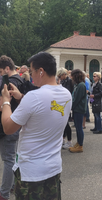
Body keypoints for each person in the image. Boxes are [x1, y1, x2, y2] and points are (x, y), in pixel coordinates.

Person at [1, 52, 72, 200]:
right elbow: (43, 108)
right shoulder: (66, 94)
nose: (30, 75)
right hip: (53, 168)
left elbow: (8, 128)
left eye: (32, 71)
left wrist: (6, 101)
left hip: (31, 172)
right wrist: (21, 97)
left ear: (41, 71)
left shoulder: (35, 97)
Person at [0, 55, 24, 200]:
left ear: (7, 69)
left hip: (8, 125)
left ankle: (3, 194)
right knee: (14, 158)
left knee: (9, 159)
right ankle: (14, 185)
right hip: (16, 124)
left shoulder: (9, 82)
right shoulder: (21, 80)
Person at [69, 69, 87, 153]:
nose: (71, 77)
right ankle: (78, 142)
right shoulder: (78, 85)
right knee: (77, 127)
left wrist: (71, 106)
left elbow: (77, 99)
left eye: (72, 75)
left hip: (79, 109)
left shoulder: (81, 85)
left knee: (79, 128)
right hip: (77, 109)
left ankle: (80, 145)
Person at [57, 67, 74, 150]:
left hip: (66, 104)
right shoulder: (63, 81)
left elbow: (69, 92)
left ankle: (69, 141)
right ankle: (63, 139)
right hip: (62, 104)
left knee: (66, 123)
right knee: (62, 123)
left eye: (60, 76)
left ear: (64, 74)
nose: (59, 78)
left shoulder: (70, 81)